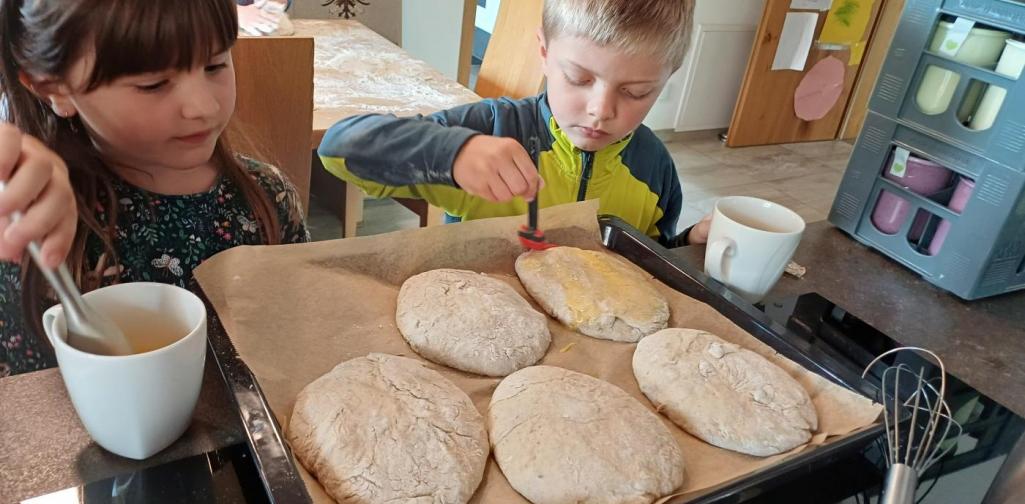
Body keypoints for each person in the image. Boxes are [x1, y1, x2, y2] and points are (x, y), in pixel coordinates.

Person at [0, 0, 309, 377]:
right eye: (153, 84)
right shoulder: (30, 220)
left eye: (215, 64)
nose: (203, 106)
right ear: (55, 88)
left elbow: (299, 334)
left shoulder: (268, 200)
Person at [318, 0, 711, 247]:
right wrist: (452, 154)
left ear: (668, 76)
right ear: (544, 51)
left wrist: (691, 244)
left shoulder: (655, 168)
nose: (600, 110)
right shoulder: (489, 129)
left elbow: (650, 258)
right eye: (579, 79)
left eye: (636, 92)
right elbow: (338, 149)